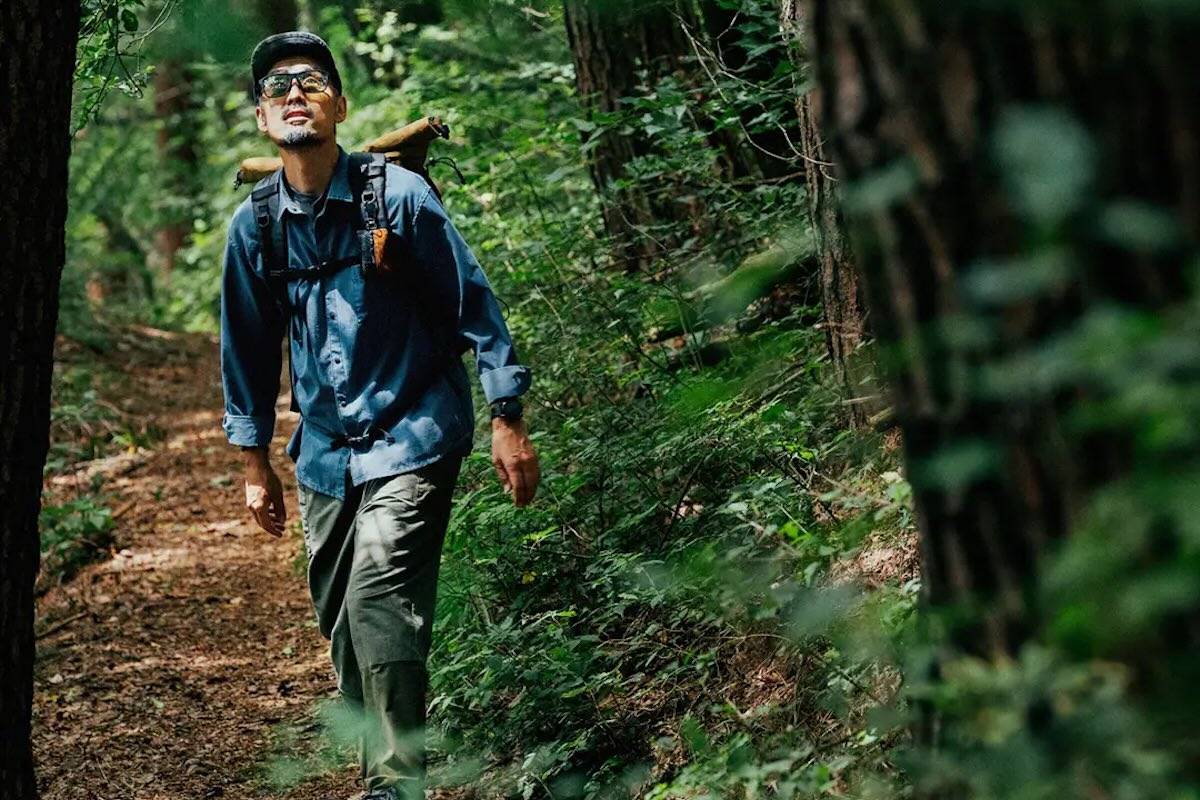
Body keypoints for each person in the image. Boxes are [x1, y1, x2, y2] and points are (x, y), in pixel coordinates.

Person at [219, 31, 540, 800]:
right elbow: (248, 349)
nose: (294, 92)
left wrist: (507, 415)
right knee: (340, 616)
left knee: (377, 593)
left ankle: (398, 785)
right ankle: (381, 771)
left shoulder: (397, 197)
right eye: (277, 88)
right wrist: (254, 461)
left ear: (339, 105)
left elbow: (474, 305)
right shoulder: (256, 227)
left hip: (415, 428)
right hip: (327, 449)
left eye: (312, 82)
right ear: (264, 120)